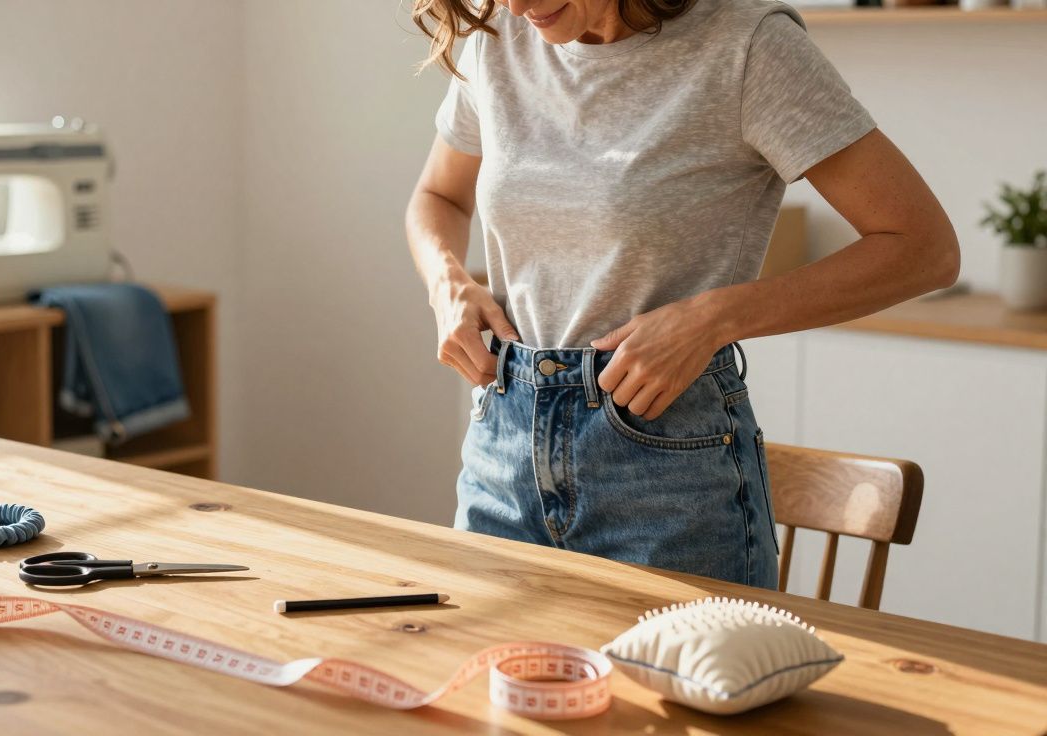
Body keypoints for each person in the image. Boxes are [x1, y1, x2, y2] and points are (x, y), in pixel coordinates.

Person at [403, 0, 959, 588]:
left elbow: (924, 248)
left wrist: (713, 318)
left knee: (674, 683)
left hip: (668, 468)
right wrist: (447, 282)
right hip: (501, 450)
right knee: (491, 676)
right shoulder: (500, 42)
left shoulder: (747, 46)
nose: (516, 6)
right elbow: (439, 195)